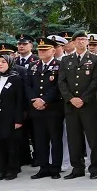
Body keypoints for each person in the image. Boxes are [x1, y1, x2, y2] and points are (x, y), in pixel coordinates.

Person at [59, 31, 97, 179]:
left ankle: (95, 169)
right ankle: (77, 168)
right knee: (74, 138)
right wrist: (71, 98)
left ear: (87, 42)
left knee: (93, 138)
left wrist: (83, 99)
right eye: (78, 39)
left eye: (84, 39)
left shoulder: (95, 59)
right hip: (71, 106)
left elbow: (95, 81)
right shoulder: (66, 60)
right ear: (72, 42)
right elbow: (62, 82)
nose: (81, 42)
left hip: (89, 105)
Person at [25, 38, 64, 180]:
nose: (41, 52)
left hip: (53, 108)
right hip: (36, 108)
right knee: (39, 140)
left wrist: (45, 100)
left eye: (45, 49)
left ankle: (55, 168)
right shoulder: (33, 66)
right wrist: (35, 100)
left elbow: (59, 86)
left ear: (53, 51)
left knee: (55, 139)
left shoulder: (60, 65)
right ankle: (43, 167)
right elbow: (27, 85)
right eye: (40, 50)